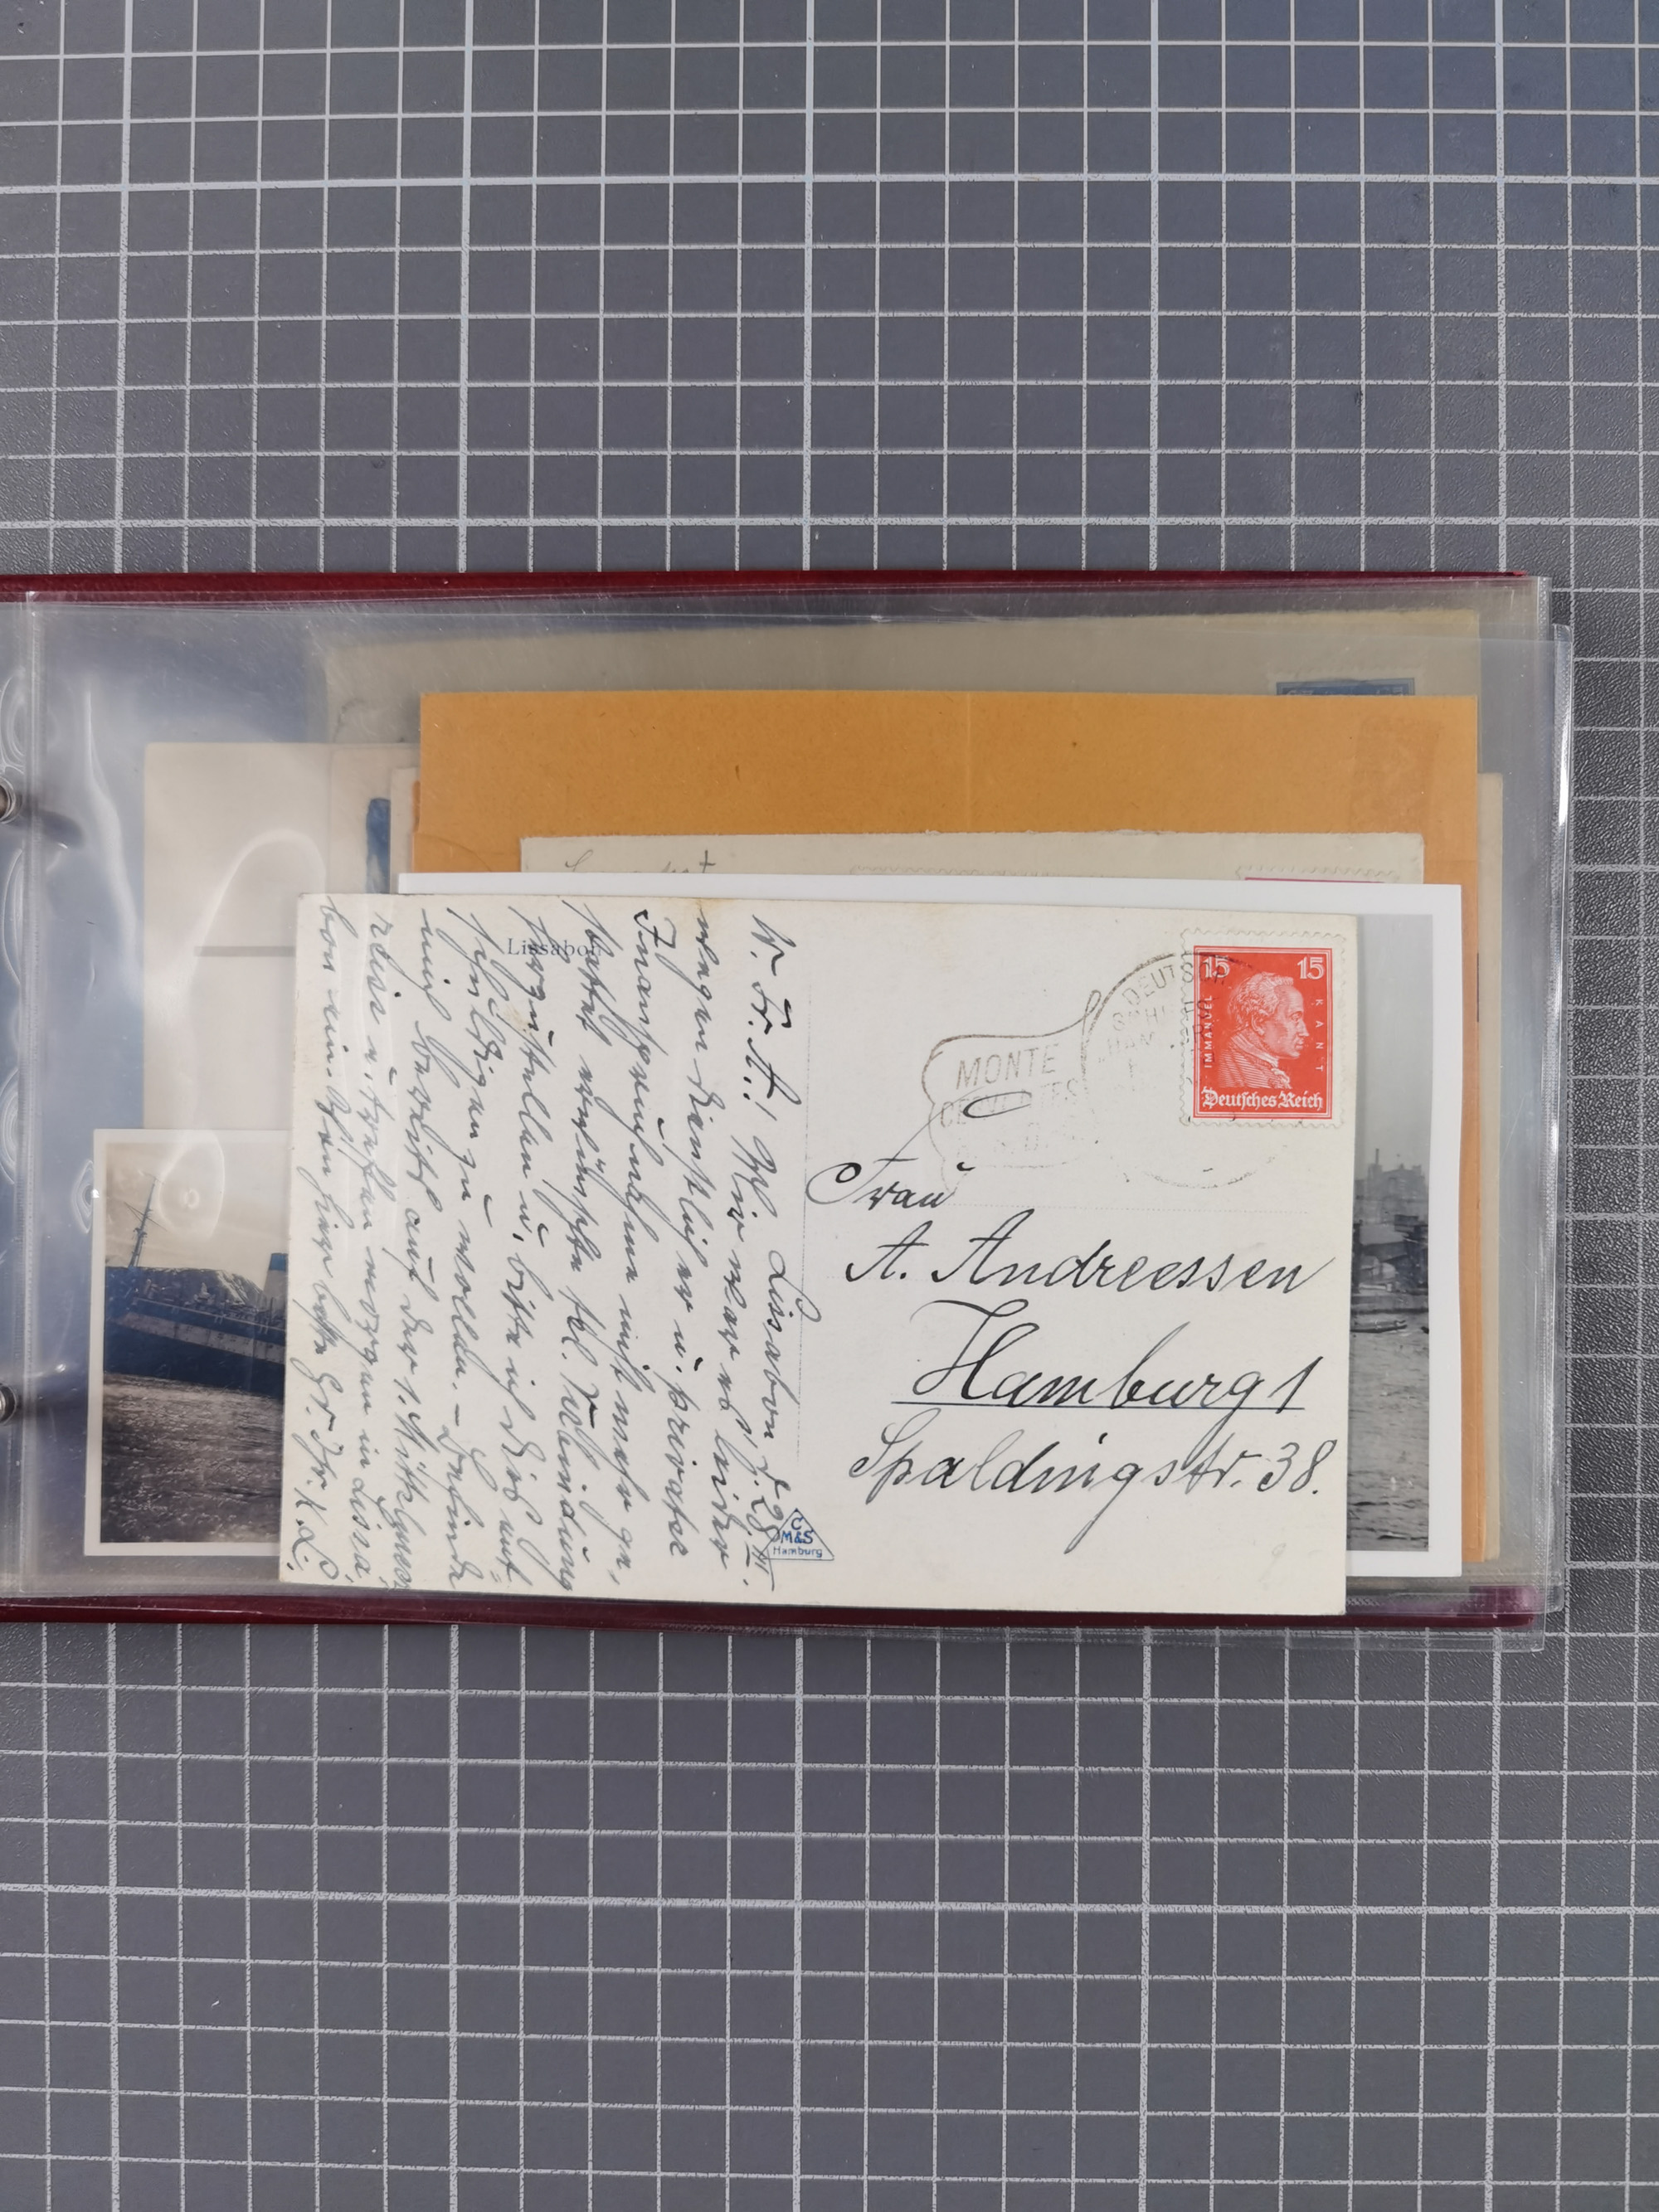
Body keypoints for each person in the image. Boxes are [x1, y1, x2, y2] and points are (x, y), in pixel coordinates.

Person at [1213, 969, 1309, 1094]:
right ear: (1258, 1024)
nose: (1305, 1032)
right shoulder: (1245, 1074)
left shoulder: (1247, 1063)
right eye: (1295, 1018)